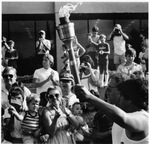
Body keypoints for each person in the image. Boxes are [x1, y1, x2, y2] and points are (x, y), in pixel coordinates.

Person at [74, 78, 149, 144]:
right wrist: (89, 135)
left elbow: (124, 119)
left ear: (129, 99)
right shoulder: (121, 119)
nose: (119, 98)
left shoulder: (144, 118)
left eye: (121, 95)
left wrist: (90, 97)